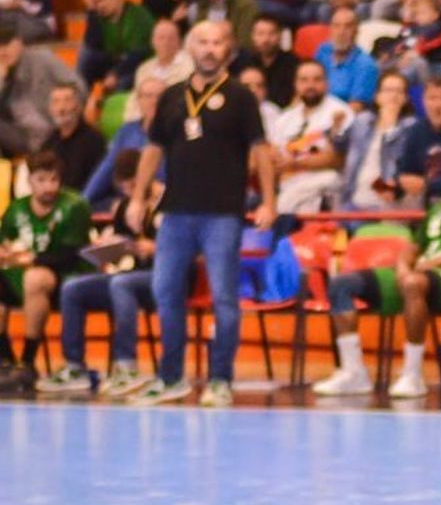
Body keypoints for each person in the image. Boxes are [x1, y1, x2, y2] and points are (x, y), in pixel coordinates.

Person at [125, 21, 276, 408]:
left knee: (224, 297)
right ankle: (171, 376)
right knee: (165, 292)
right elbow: (153, 149)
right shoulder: (173, 96)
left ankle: (221, 378)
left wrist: (269, 202)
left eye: (218, 42)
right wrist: (138, 198)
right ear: (190, 48)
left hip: (222, 213)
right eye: (203, 42)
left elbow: (260, 151)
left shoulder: (241, 96)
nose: (210, 49)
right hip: (175, 212)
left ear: (228, 49)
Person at [314, 152, 441, 398]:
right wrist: (403, 267)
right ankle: (354, 373)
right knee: (342, 283)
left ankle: (412, 374)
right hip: (419, 275)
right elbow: (413, 248)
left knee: (414, 284)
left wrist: (439, 261)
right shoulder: (439, 210)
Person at [36, 150, 159, 397]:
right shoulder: (126, 205)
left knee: (121, 284)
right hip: (132, 275)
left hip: (164, 277)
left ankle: (127, 367)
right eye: (124, 187)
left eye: (133, 185)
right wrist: (106, 251)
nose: (129, 192)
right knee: (73, 288)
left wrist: (154, 248)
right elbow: (124, 251)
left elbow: (190, 250)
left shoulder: (171, 201)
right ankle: (75, 368)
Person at [0, 150, 91, 391]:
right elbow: (6, 241)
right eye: (41, 180)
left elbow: (72, 254)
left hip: (64, 276)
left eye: (54, 179)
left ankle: (28, 361)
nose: (49, 186)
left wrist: (33, 258)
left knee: (35, 277)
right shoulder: (17, 209)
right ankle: (5, 359)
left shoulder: (74, 206)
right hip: (22, 273)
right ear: (29, 181)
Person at [269, 60, 351, 217]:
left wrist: (294, 163)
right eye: (304, 80)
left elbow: (337, 159)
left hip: (324, 186)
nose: (310, 85)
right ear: (295, 84)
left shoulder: (340, 112)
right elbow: (273, 156)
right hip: (288, 185)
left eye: (317, 79)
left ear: (327, 83)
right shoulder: (285, 118)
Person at [338, 71, 418, 212]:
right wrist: (335, 128)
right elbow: (339, 144)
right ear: (377, 96)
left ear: (406, 98)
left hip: (390, 204)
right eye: (388, 90)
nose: (393, 96)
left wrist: (391, 126)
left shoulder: (411, 126)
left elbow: (399, 163)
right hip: (354, 200)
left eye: (399, 91)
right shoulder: (362, 120)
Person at [84, 73, 165, 210]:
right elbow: (106, 168)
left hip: (161, 200)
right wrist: (83, 202)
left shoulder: (177, 132)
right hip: (125, 200)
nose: (154, 101)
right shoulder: (126, 132)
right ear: (138, 100)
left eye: (160, 96)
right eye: (148, 96)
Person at [0, 22, 81, 156]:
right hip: (26, 137)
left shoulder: (42, 58)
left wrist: (67, 115)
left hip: (57, 128)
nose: (2, 52)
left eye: (6, 45)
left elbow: (77, 85)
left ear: (20, 43)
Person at [78, 0, 154, 90]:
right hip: (115, 62)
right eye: (96, 3)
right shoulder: (100, 19)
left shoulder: (138, 14)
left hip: (139, 64)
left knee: (123, 81)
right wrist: (92, 12)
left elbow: (139, 53)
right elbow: (91, 48)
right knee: (87, 56)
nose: (101, 5)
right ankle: (78, 99)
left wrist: (115, 73)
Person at [41, 82, 105, 192]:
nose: (61, 108)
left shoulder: (94, 140)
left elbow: (98, 183)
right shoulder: (49, 142)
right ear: (50, 109)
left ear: (79, 106)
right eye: (56, 102)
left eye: (67, 101)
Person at [315, 7, 380, 109]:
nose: (341, 32)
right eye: (336, 26)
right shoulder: (323, 51)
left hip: (341, 116)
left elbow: (356, 107)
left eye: (347, 26)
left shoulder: (366, 65)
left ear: (356, 31)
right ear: (330, 29)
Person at [233, 15, 299, 109]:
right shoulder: (241, 63)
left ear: (280, 35)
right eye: (260, 34)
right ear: (252, 36)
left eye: (271, 33)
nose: (266, 39)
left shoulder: (293, 64)